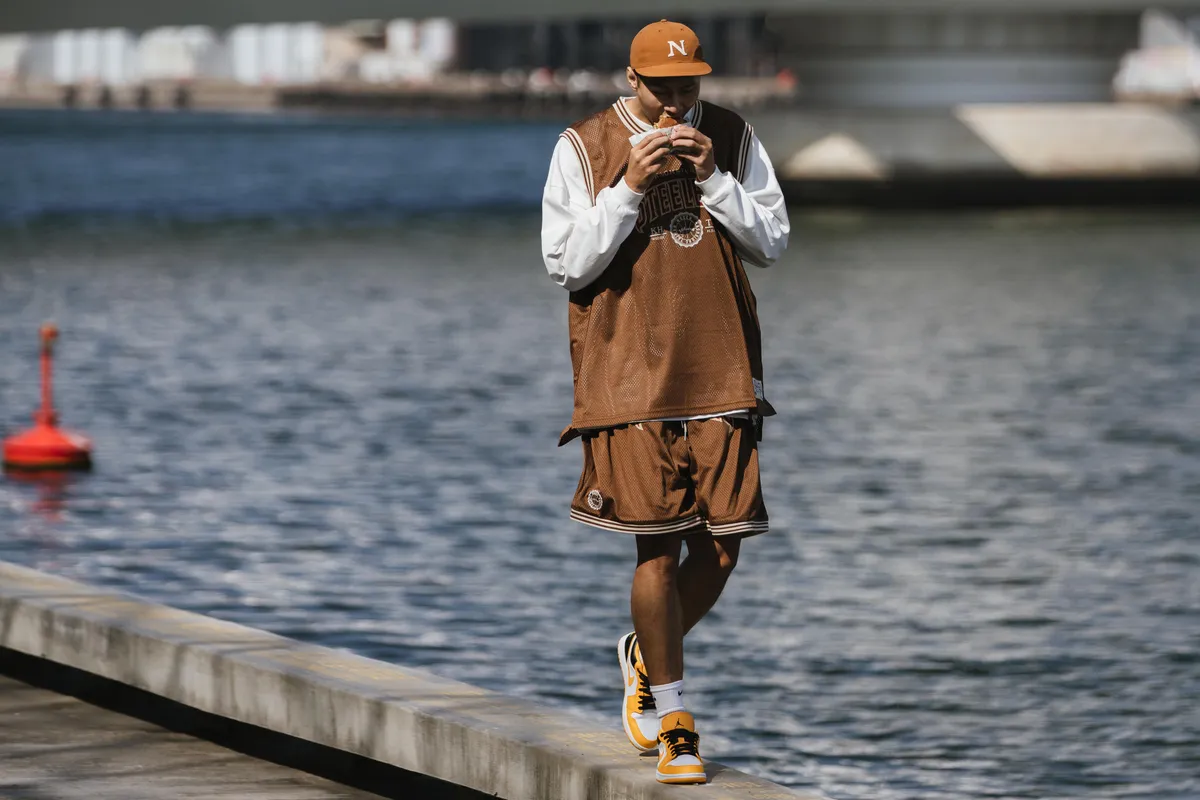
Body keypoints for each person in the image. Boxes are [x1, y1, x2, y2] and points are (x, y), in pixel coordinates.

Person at [540, 19, 790, 785]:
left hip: (719, 367)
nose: (678, 103)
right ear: (631, 79)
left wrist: (715, 178)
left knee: (724, 541)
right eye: (662, 88)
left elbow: (773, 240)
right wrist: (631, 186)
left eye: (690, 86)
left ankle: (644, 655)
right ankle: (676, 720)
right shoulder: (582, 146)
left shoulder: (733, 136)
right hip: (627, 375)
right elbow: (566, 263)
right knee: (658, 542)